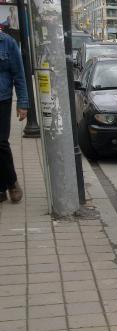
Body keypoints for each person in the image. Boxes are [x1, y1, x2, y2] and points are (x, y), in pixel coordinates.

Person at [0, 30, 27, 203]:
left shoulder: (7, 42)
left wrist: (23, 103)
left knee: (1, 142)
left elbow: (19, 74)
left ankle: (11, 182)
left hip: (2, 99)